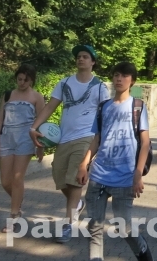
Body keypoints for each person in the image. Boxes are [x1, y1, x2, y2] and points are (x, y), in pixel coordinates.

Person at [28, 44, 111, 242]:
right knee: (60, 177)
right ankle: (77, 206)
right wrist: (34, 126)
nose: (80, 59)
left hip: (86, 137)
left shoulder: (100, 87)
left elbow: (105, 113)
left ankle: (68, 224)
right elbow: (50, 107)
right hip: (64, 138)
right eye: (78, 57)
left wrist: (103, 140)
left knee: (75, 180)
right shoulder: (64, 83)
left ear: (93, 62)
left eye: (85, 56)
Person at [76, 62, 152, 261]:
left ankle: (144, 254)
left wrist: (138, 173)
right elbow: (97, 139)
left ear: (132, 80)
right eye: (116, 75)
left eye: (124, 75)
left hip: (125, 177)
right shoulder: (104, 107)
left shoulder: (138, 106)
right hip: (99, 175)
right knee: (95, 225)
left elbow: (145, 143)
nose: (119, 79)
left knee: (123, 227)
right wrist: (84, 164)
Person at [0, 63, 44, 230]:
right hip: (7, 138)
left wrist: (40, 146)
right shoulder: (8, 94)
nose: (22, 82)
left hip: (25, 138)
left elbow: (40, 123)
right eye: (19, 79)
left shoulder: (37, 97)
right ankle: (18, 200)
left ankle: (14, 215)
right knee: (5, 181)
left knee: (17, 178)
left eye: (26, 80)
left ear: (31, 80)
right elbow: (0, 119)